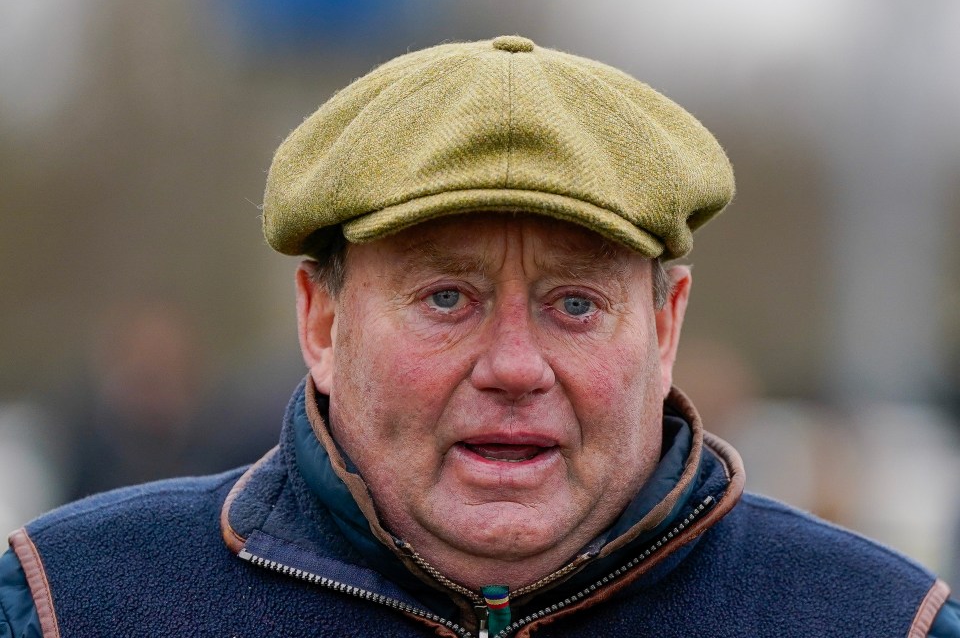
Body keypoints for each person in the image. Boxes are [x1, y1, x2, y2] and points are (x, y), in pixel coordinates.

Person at [2, 35, 957, 637]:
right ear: (322, 322)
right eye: (448, 298)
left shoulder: (881, 622)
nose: (513, 368)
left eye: (575, 304)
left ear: (666, 328)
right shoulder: (68, 603)